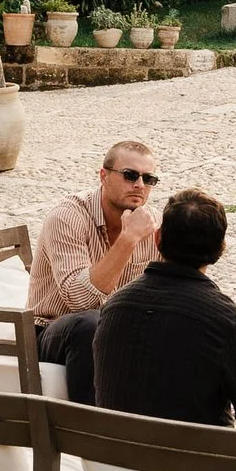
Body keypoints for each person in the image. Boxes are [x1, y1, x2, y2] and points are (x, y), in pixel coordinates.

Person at [93, 189, 236, 431]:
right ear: (220, 248)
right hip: (190, 465)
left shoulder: (114, 307)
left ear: (157, 238)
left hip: (111, 464)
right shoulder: (227, 321)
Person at [31, 141, 162, 405]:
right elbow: (80, 301)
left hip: (119, 329)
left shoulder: (153, 224)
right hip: (54, 330)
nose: (139, 185)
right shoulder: (67, 218)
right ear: (104, 176)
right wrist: (128, 240)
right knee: (91, 323)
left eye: (148, 179)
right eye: (130, 175)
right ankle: (94, 434)